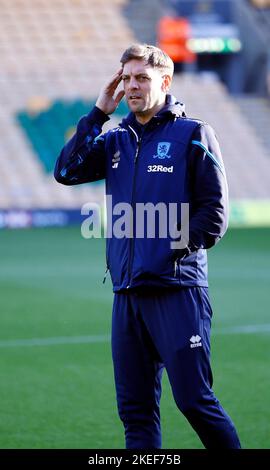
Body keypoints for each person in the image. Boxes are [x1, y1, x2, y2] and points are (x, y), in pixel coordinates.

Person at [54, 44, 241, 449]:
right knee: (135, 413)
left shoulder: (193, 134)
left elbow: (214, 214)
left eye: (141, 78)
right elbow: (66, 172)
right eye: (126, 78)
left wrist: (166, 251)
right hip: (127, 295)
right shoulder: (116, 138)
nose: (132, 86)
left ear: (165, 81)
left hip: (177, 293)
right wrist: (98, 114)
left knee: (195, 402)